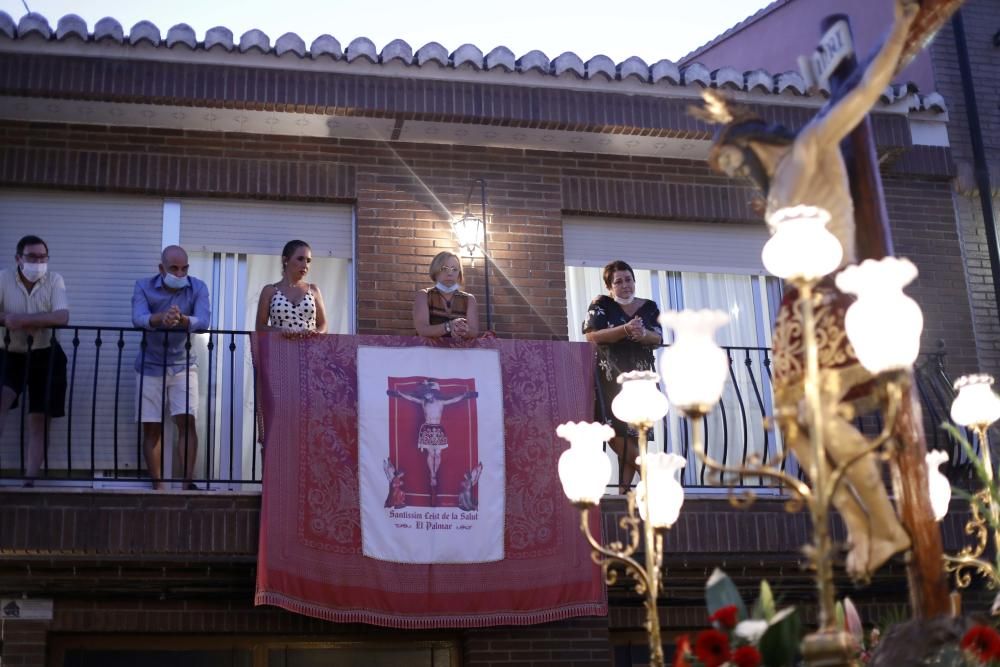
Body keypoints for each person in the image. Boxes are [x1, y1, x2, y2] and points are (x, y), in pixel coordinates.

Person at [696, 0, 919, 579]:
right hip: (793, 309)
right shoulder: (775, 192)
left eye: (733, 161)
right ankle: (858, 524)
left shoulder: (812, 143)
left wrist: (898, 32)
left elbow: (864, 91)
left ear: (747, 142)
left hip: (830, 292)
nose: (737, 173)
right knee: (795, 430)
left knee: (821, 415)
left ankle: (888, 524)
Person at [132, 245, 212, 491]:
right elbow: (138, 318)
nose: (179, 273)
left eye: (184, 268)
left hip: (184, 365)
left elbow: (204, 321)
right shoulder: (143, 286)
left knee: (187, 422)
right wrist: (161, 318)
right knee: (151, 426)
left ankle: (187, 483)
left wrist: (182, 319)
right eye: (173, 268)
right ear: (161, 268)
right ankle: (158, 486)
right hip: (149, 365)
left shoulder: (198, 287)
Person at [583, 260, 663, 495]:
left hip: (642, 380)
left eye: (628, 279)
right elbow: (592, 336)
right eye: (618, 281)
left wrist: (642, 333)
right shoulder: (601, 304)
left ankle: (624, 491)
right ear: (610, 286)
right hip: (610, 379)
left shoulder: (649, 307)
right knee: (611, 431)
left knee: (636, 434)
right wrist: (625, 330)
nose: (625, 285)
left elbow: (658, 338)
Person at [0, 235, 69, 486]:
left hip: (45, 354)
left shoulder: (54, 280)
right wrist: (10, 319)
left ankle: (30, 479)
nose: (38, 262)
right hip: (9, 353)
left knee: (39, 417)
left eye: (43, 257)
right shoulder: (3, 278)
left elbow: (62, 316)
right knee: (2, 399)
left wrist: (25, 321)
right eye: (32, 257)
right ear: (19, 258)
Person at [387, 379, 478, 505]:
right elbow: (411, 399)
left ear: (434, 393)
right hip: (428, 429)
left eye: (428, 393)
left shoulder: (441, 402)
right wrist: (399, 394)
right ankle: (433, 475)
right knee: (431, 454)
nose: (426, 395)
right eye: (425, 393)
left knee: (438, 454)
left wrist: (465, 396)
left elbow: (454, 400)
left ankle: (434, 474)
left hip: (438, 430)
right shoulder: (423, 402)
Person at [255, 240, 328, 336]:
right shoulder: (270, 290)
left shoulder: (314, 290)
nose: (305, 265)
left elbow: (324, 325)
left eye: (308, 261)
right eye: (300, 259)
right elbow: (260, 326)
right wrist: (279, 331)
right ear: (285, 260)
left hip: (309, 348)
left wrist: (314, 332)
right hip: (279, 348)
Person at [413, 251, 479, 339]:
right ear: (435, 270)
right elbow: (422, 329)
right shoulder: (424, 295)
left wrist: (462, 331)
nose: (450, 274)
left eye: (454, 269)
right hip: (429, 351)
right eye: (444, 269)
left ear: (459, 273)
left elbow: (474, 332)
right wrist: (449, 326)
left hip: (458, 351)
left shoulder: (469, 299)